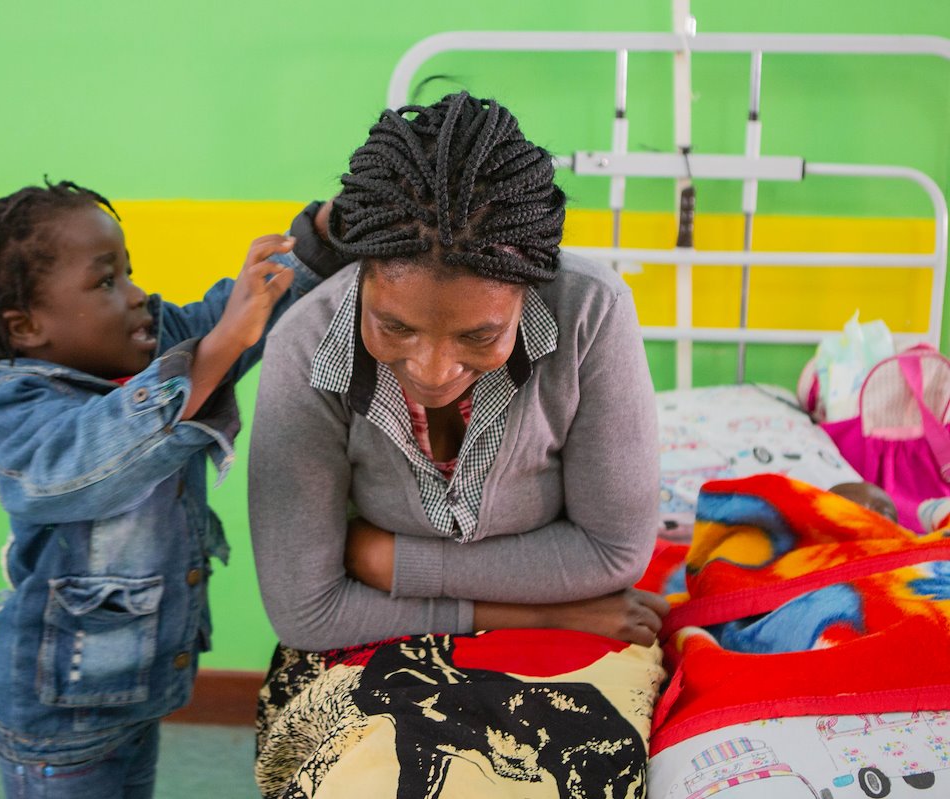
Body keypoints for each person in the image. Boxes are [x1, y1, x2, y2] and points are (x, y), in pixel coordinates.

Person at [249, 93, 668, 797]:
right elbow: (308, 611)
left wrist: (390, 560)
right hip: (397, 640)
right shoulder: (304, 346)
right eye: (394, 328)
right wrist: (547, 608)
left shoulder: (591, 312)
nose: (433, 370)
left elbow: (614, 552)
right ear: (361, 273)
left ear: (530, 289)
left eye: (479, 336)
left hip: (508, 630)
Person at [0, 179, 336, 798]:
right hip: (59, 718)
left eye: (129, 272)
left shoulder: (153, 340)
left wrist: (325, 235)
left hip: (133, 691)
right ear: (26, 326)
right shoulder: (17, 406)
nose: (138, 295)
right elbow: (99, 459)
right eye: (106, 282)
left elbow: (249, 313)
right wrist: (222, 343)